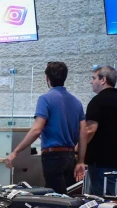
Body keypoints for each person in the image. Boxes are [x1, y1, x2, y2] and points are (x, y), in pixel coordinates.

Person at [5, 62, 87, 194]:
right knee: (67, 198)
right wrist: (81, 161)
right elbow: (83, 134)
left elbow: (37, 130)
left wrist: (16, 152)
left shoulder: (45, 99)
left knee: (55, 198)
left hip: (53, 156)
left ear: (47, 78)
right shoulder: (76, 102)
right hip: (71, 156)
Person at [83, 65, 117, 196]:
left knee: (102, 200)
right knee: (99, 197)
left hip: (101, 160)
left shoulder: (97, 101)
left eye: (94, 78)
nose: (91, 82)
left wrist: (79, 149)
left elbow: (90, 130)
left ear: (103, 80)